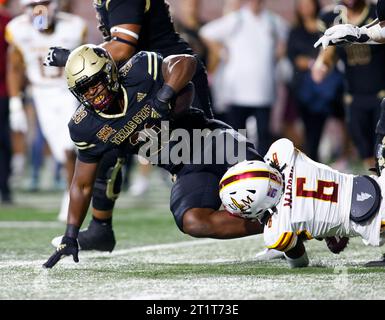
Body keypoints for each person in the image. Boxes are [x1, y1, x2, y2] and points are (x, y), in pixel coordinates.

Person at [43, 44, 265, 268]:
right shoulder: (86, 126)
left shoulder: (138, 70)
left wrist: (164, 97)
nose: (91, 92)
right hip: (186, 168)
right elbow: (82, 185)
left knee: (259, 186)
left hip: (214, 141)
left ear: (109, 73)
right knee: (193, 221)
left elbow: (187, 62)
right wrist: (70, 236)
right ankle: (271, 226)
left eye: (94, 83)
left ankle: (286, 202)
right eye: (83, 89)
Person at [44, 0, 215, 252]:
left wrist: (73, 57)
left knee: (206, 161)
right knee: (103, 146)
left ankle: (270, 213)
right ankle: (100, 228)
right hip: (136, 80)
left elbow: (123, 48)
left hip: (168, 80)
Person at [219, 132, 385, 268]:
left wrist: (324, 229)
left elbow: (299, 262)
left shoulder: (276, 230)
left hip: (374, 221)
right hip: (375, 183)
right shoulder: (283, 153)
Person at [5, 0, 87, 220]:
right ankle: (73, 187)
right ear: (24, 8)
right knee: (60, 151)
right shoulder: (18, 29)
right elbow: (14, 65)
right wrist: (15, 103)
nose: (39, 10)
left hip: (70, 92)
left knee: (71, 146)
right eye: (33, 5)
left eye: (44, 3)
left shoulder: (74, 26)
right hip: (41, 94)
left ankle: (71, 196)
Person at [199, 0, 288, 156]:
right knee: (236, 136)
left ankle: (263, 172)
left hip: (264, 91)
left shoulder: (273, 21)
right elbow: (206, 32)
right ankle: (237, 170)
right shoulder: (237, 19)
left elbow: (287, 36)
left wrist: (279, 51)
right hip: (238, 92)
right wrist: (221, 51)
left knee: (263, 138)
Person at [311, 0, 385, 171]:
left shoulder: (374, 10)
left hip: (381, 92)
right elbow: (327, 51)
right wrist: (321, 64)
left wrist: (359, 34)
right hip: (354, 95)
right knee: (369, 155)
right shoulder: (332, 17)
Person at [0, 0, 11, 204]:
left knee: (3, 142)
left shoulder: (8, 22)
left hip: (3, 90)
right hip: (4, 89)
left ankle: (4, 187)